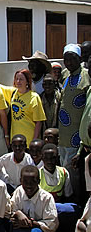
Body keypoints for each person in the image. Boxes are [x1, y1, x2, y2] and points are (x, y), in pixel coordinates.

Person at [59, 44, 90, 202]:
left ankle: (76, 202)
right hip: (63, 135)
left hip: (76, 136)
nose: (69, 62)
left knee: (74, 173)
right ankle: (67, 199)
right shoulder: (65, 75)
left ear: (79, 59)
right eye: (66, 59)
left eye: (72, 59)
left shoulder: (86, 76)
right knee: (65, 171)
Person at [39, 144, 81, 232]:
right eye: (46, 158)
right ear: (42, 158)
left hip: (59, 207)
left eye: (52, 158)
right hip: (42, 209)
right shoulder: (37, 174)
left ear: (57, 157)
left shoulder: (64, 172)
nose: (49, 161)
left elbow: (68, 195)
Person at [0, 69, 46, 147]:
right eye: (16, 79)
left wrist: (34, 141)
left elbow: (39, 122)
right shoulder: (13, 93)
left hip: (28, 141)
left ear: (27, 81)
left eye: (21, 79)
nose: (18, 81)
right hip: (15, 141)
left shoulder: (34, 97)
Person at [10, 165, 59, 232]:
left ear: (38, 181)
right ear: (20, 181)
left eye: (32, 182)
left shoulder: (47, 198)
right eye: (25, 182)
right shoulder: (18, 192)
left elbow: (52, 224)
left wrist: (32, 223)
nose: (29, 185)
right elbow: (11, 210)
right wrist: (17, 214)